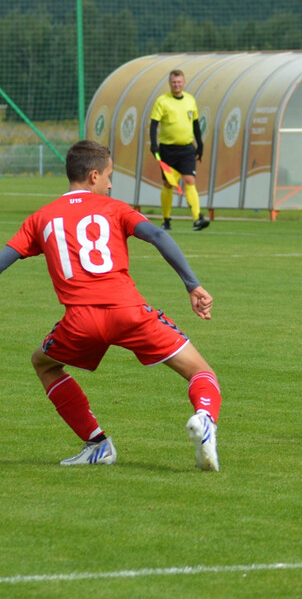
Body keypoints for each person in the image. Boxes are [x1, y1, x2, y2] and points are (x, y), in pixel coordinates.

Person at [0, 140, 222, 470]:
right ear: (93, 176)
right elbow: (159, 236)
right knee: (200, 372)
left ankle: (97, 444)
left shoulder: (41, 218)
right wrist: (193, 285)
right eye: (108, 175)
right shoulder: (115, 208)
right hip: (130, 313)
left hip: (80, 321)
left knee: (44, 364)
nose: (110, 183)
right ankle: (204, 418)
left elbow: (7, 257)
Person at [149, 69, 209, 231]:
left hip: (187, 149)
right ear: (170, 83)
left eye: (179, 82)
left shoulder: (190, 100)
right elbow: (154, 123)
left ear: (184, 83)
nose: (177, 84)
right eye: (174, 82)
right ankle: (166, 219)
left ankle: (197, 218)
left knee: (189, 180)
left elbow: (195, 124)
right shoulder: (162, 101)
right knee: (168, 184)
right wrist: (154, 144)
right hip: (168, 149)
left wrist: (200, 144)